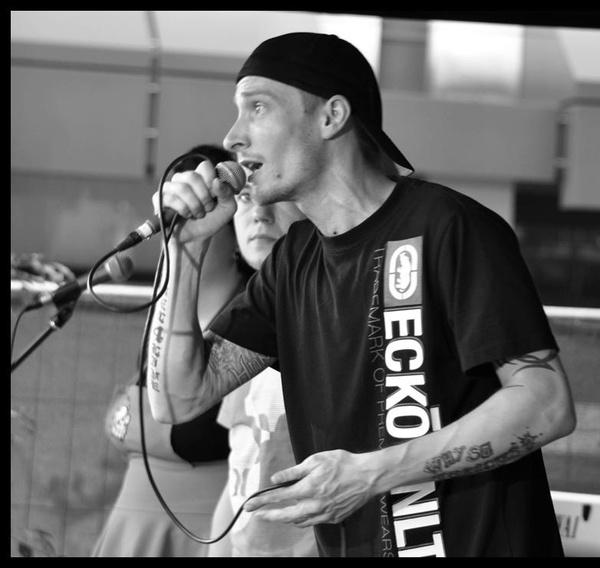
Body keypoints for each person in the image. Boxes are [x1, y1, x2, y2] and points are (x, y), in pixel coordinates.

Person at [145, 33, 577, 557]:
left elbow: (546, 404)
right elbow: (177, 399)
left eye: (257, 108)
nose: (233, 137)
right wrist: (183, 251)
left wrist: (372, 473)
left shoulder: (447, 225)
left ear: (332, 116)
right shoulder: (293, 260)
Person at [91, 145, 239, 557]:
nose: (179, 223)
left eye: (193, 210)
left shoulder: (253, 319)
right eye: (171, 212)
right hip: (131, 537)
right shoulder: (164, 315)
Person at [208, 184, 318, 557]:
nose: (259, 213)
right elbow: (239, 471)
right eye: (244, 197)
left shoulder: (328, 315)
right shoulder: (244, 322)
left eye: (277, 197)